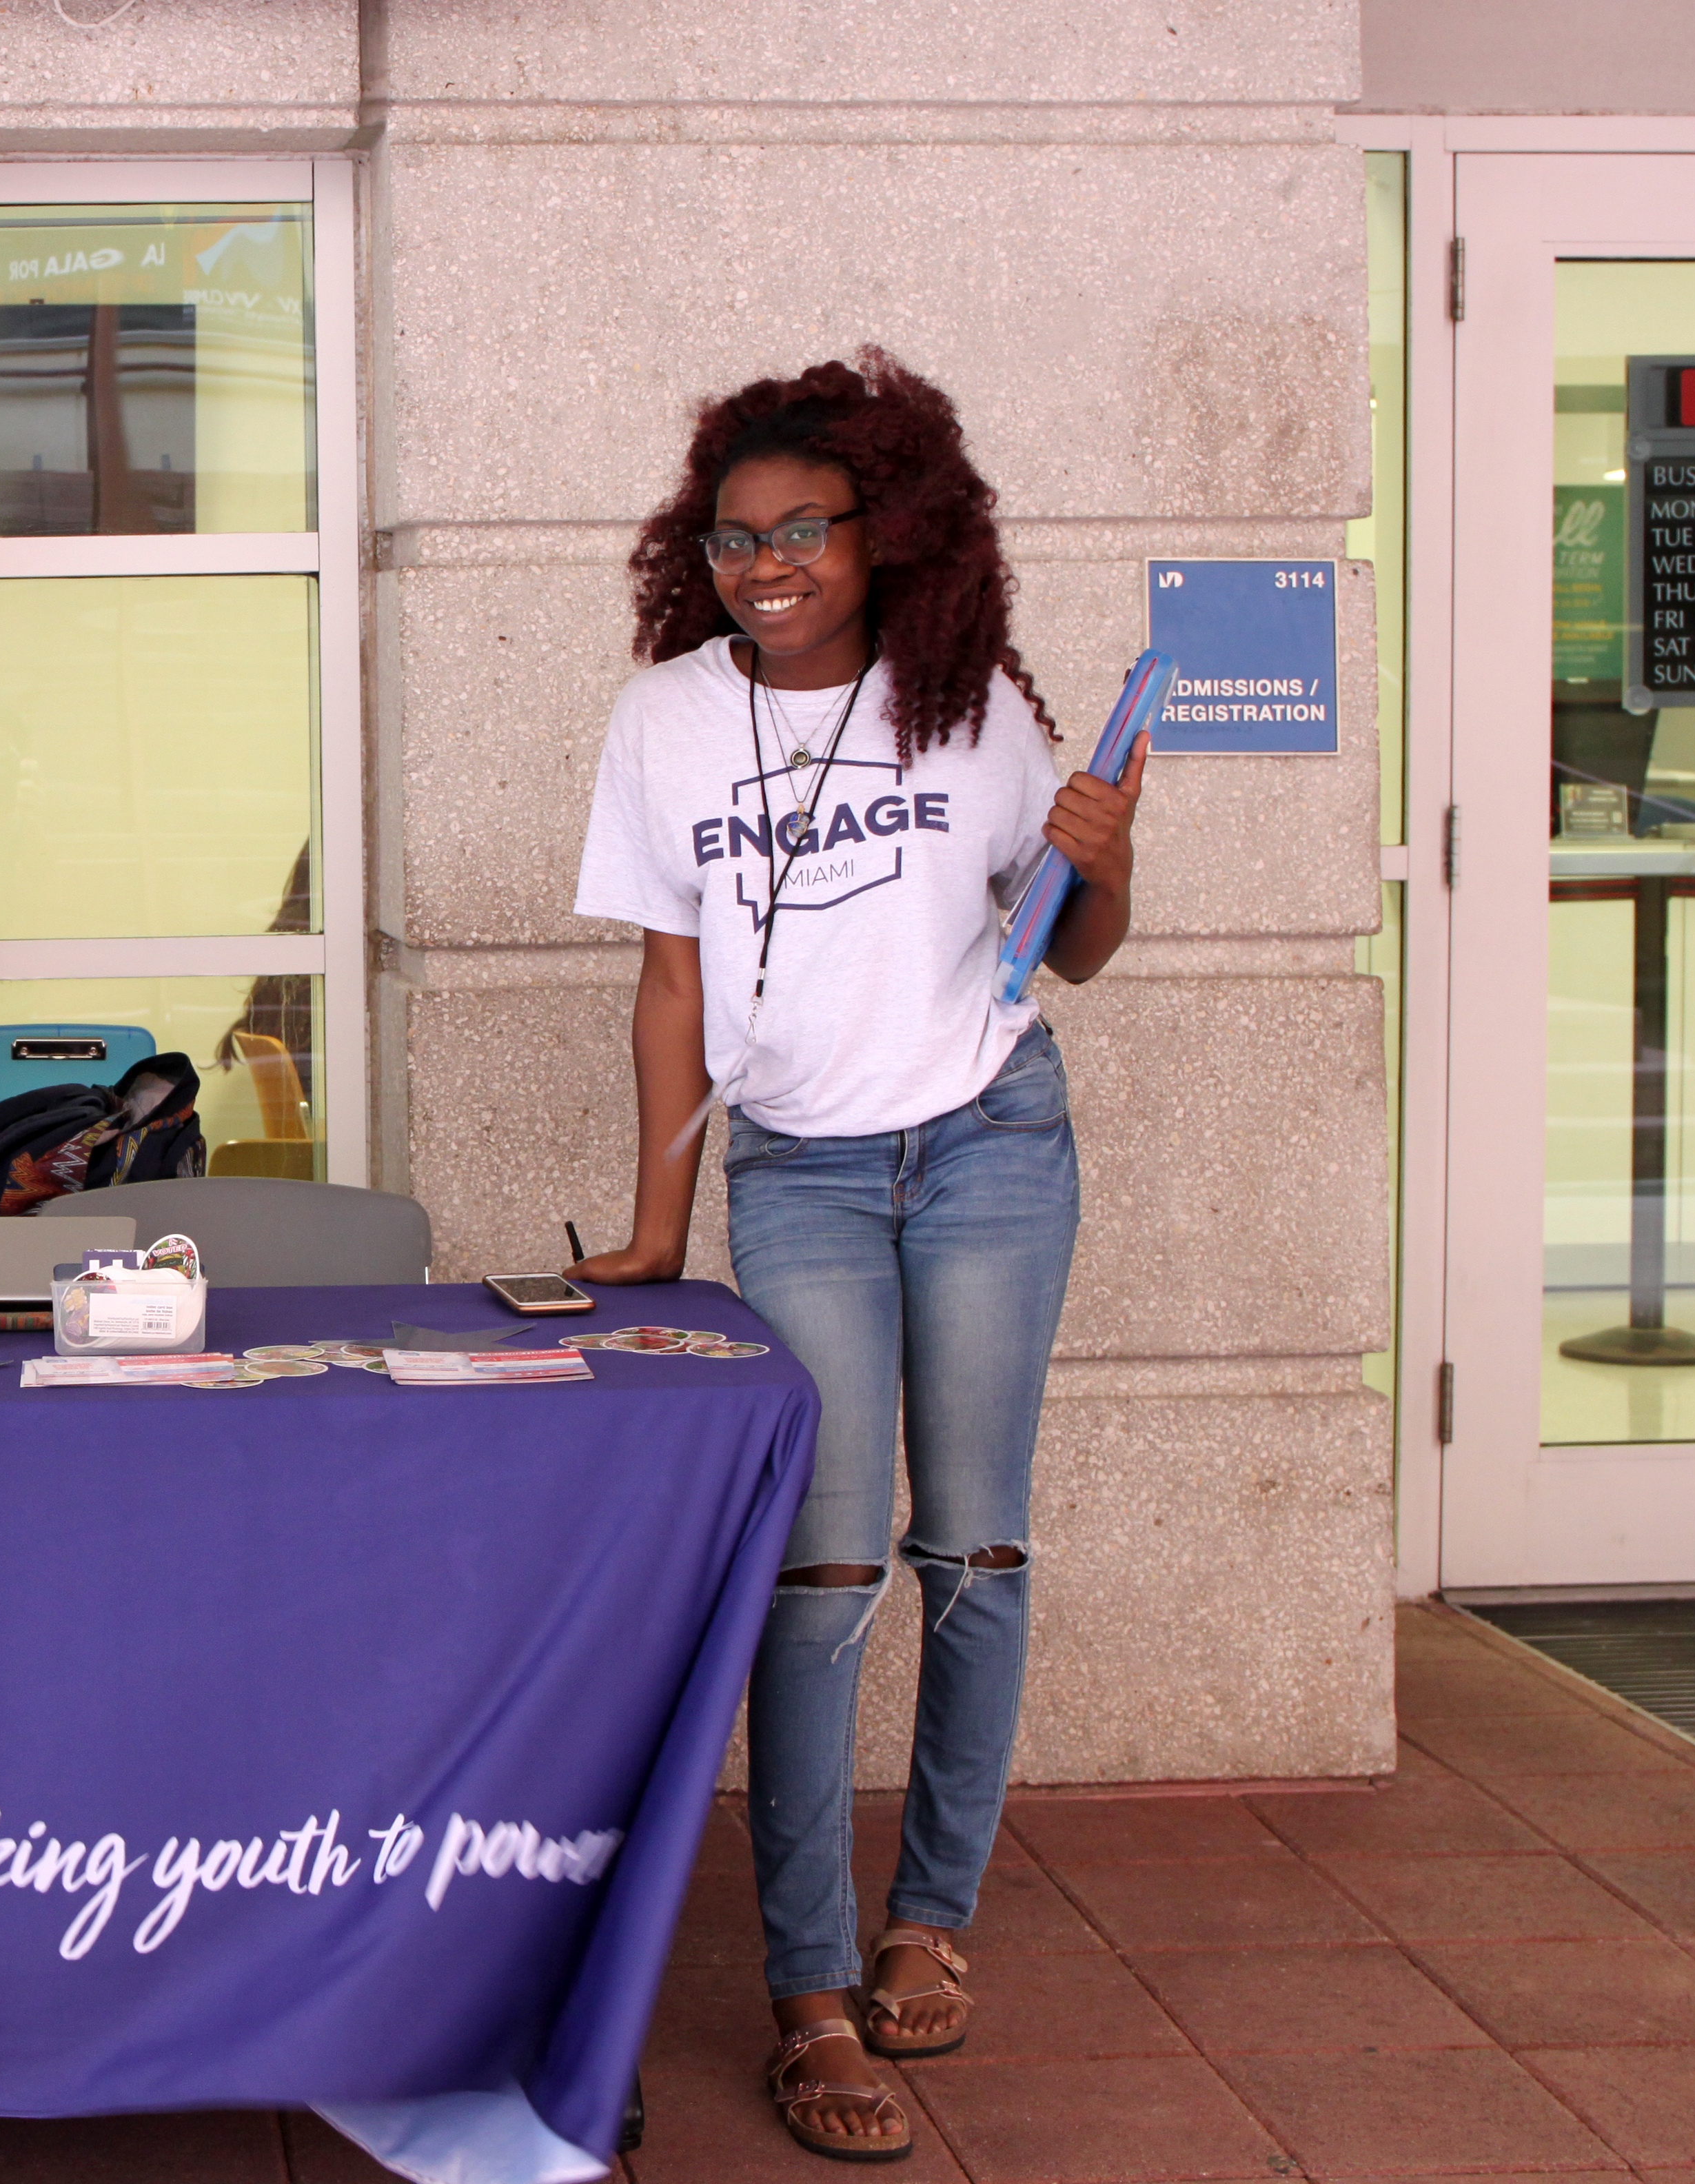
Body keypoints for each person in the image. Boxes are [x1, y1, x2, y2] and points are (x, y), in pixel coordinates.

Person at [567, 352, 1144, 2163]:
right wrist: (661, 1223)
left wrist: (1109, 860)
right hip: (802, 1173)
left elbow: (1071, 947)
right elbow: (672, 981)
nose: (770, 565)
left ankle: (929, 1922)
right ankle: (810, 1988)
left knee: (972, 1544)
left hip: (990, 1143)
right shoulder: (665, 721)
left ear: (885, 530)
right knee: (817, 1571)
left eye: (804, 528)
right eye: (736, 539)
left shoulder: (970, 703)